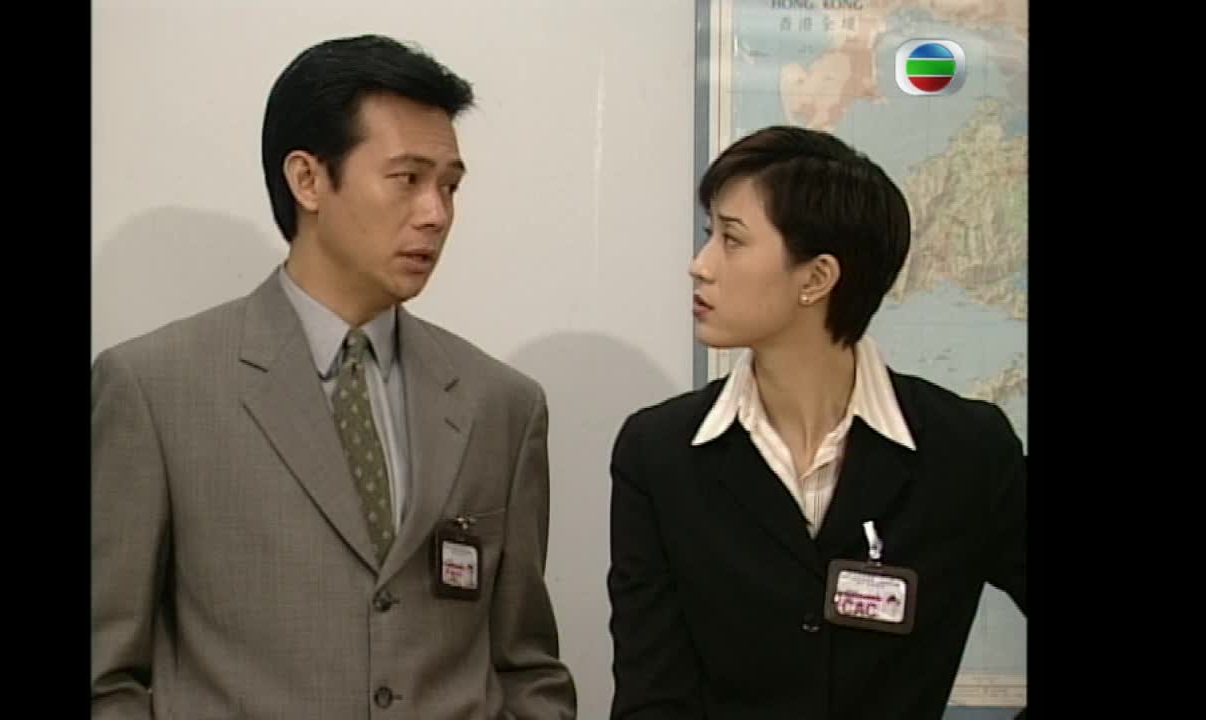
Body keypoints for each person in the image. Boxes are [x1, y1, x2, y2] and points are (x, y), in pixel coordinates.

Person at [91, 35, 576, 719]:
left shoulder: (501, 405)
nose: (437, 213)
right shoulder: (155, 389)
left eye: (450, 185)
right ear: (308, 180)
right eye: (407, 179)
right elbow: (107, 673)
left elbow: (525, 664)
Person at [606, 125, 1026, 719]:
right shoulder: (660, 453)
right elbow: (652, 696)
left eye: (731, 239)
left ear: (817, 278)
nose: (699, 266)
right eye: (708, 235)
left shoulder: (967, 451)